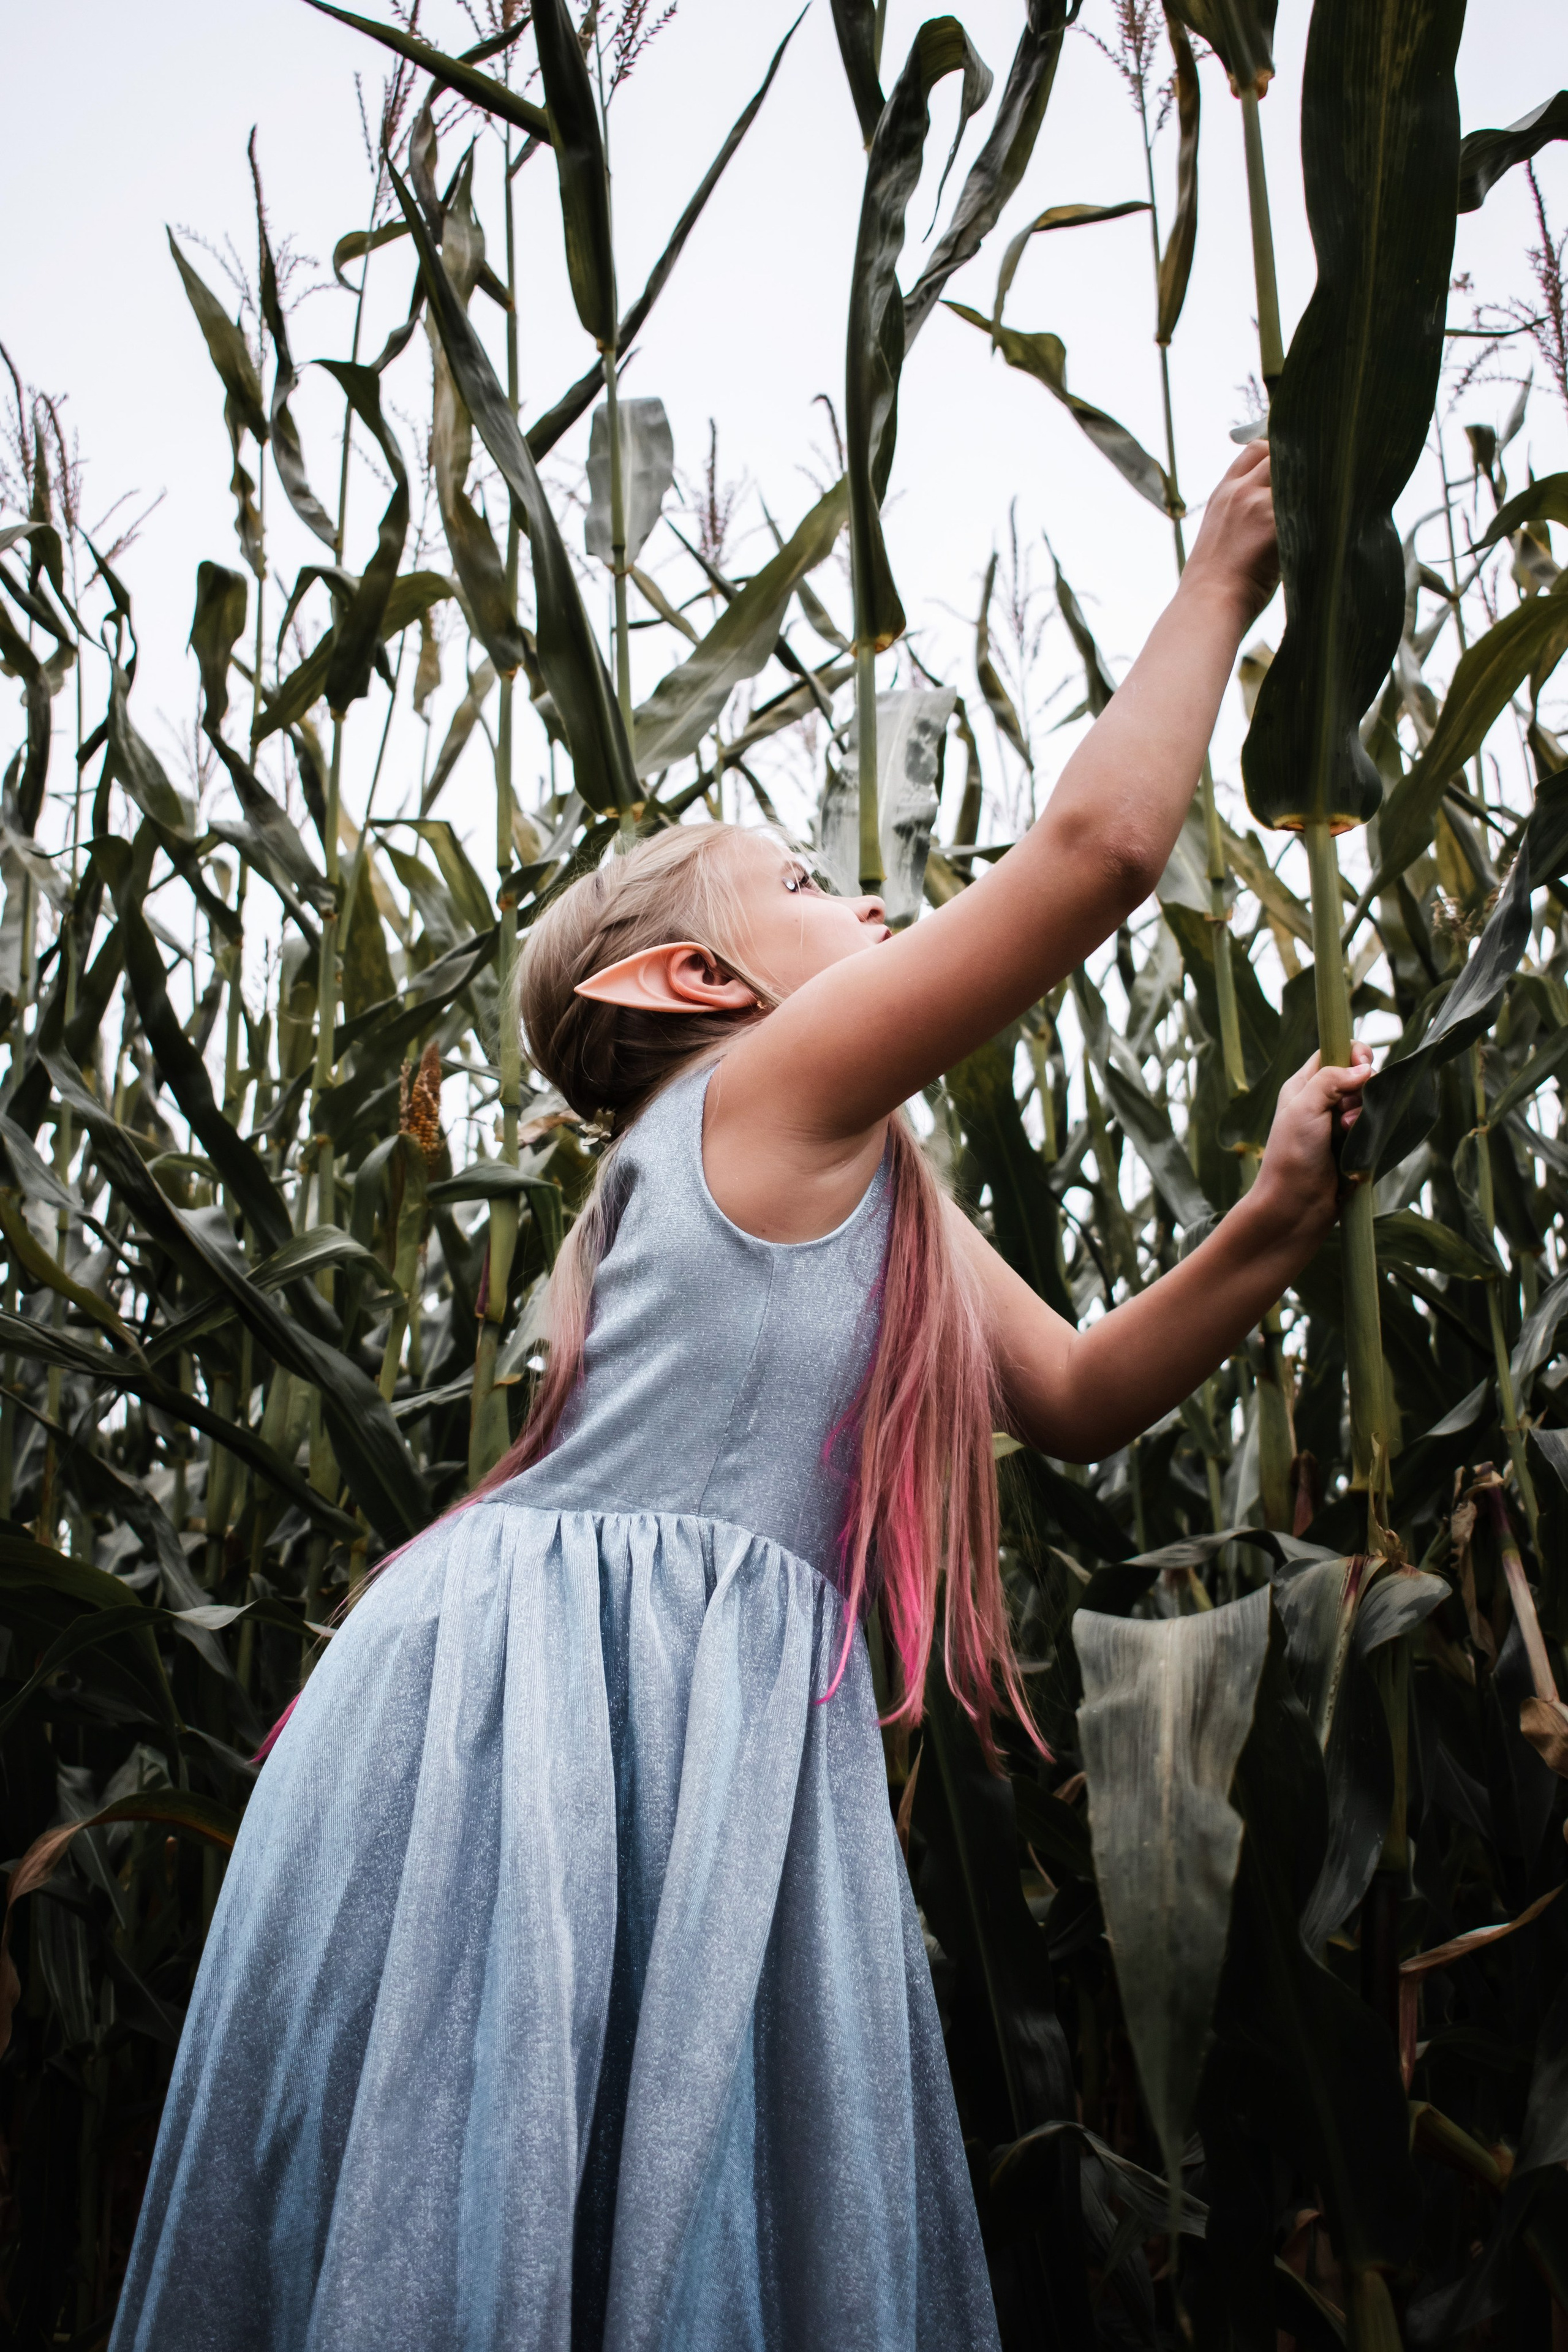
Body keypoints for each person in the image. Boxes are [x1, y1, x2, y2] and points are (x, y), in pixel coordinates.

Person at [110, 439, 1366, 2351]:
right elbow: (1100, 857)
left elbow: (1088, 1394)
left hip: (669, 1719)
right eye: (808, 881)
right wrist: (1219, 585)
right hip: (554, 1717)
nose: (863, 893)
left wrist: (1269, 1218)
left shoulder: (875, 1182)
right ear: (702, 977)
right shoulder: (764, 1097)